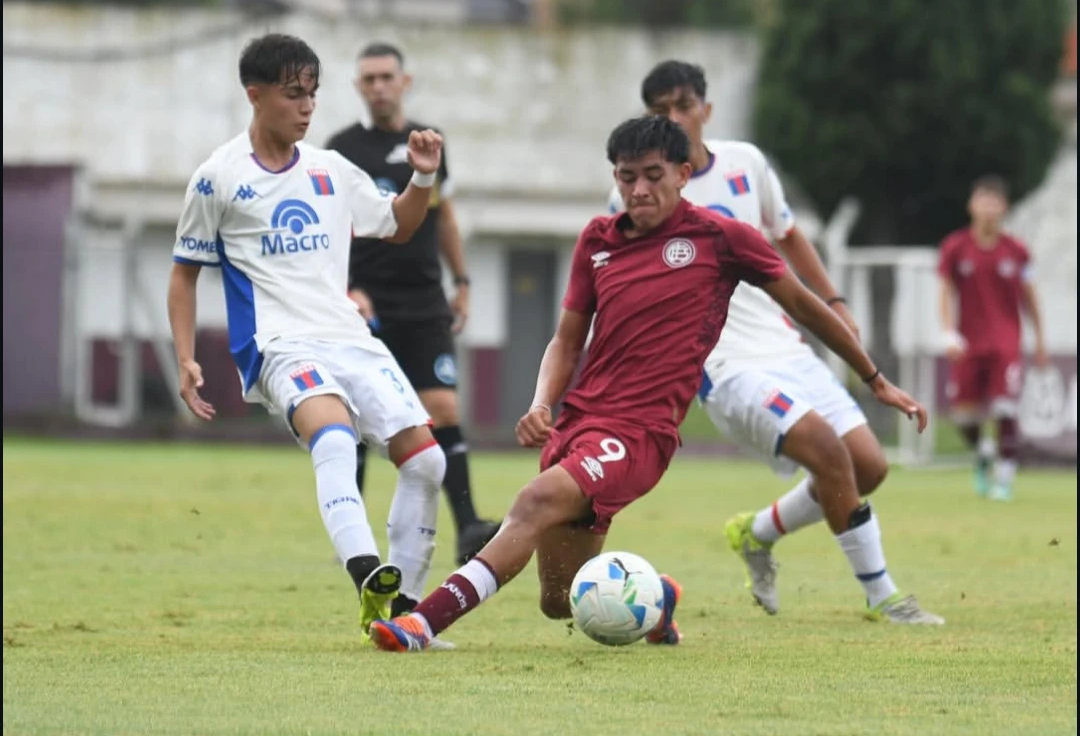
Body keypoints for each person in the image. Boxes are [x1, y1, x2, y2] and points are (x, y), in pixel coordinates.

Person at [367, 115, 928, 652]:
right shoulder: (597, 239)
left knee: (533, 502)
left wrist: (874, 377)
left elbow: (804, 305)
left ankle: (422, 622)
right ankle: (658, 601)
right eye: (626, 176)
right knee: (561, 601)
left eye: (653, 175)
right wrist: (542, 402)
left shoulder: (722, 238)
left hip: (640, 433)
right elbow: (566, 339)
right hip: (579, 423)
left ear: (684, 176)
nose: (638, 189)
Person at [618, 60, 944, 624]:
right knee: (826, 451)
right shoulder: (638, 196)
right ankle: (884, 597)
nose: (673, 118)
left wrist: (836, 303)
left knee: (867, 466)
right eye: (659, 109)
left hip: (785, 346)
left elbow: (788, 236)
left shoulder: (746, 163)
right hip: (723, 365)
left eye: (682, 105)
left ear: (706, 110)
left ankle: (757, 531)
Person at [167, 33, 449, 644]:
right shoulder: (217, 178)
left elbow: (398, 225)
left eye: (313, 94)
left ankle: (410, 615)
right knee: (337, 441)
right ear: (256, 94)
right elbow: (183, 274)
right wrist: (186, 356)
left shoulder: (331, 171)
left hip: (349, 337)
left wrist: (421, 178)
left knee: (428, 461)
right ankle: (368, 576)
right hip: (277, 346)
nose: (307, 106)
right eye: (294, 94)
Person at [326, 42, 501, 569]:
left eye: (387, 77)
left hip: (424, 299)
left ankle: (469, 524)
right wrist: (343, 289)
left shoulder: (424, 142)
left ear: (405, 81)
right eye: (369, 78)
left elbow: (442, 215)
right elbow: (331, 226)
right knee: (357, 414)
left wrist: (463, 280)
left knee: (442, 409)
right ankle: (352, 533)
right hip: (366, 301)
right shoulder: (341, 148)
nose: (378, 86)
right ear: (359, 87)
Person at [938, 176, 1048, 501]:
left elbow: (1030, 297)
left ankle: (1005, 477)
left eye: (994, 202)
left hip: (1005, 344)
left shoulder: (1016, 251)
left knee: (1004, 408)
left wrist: (1040, 340)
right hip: (968, 344)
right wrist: (948, 332)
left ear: (1004, 207)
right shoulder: (956, 248)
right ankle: (984, 451)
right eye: (982, 201)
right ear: (971, 206)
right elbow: (944, 292)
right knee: (964, 416)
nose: (988, 208)